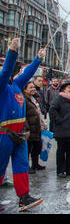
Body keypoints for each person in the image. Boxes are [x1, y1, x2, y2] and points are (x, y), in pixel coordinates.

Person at [0, 38, 45, 211]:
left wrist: (38, 59)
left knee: (21, 166)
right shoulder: (1, 85)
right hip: (3, 134)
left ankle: (24, 197)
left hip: (19, 134)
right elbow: (5, 73)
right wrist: (12, 51)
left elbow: (27, 74)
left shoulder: (17, 85)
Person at [49, 82, 70, 179]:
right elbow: (52, 111)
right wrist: (60, 121)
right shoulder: (59, 99)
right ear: (64, 89)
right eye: (69, 87)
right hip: (62, 130)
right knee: (61, 151)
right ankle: (60, 170)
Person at [23, 82, 47, 174]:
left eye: (34, 87)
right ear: (25, 89)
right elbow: (23, 115)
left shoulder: (35, 98)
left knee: (37, 146)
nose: (33, 89)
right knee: (28, 148)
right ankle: (26, 166)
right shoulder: (24, 100)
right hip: (30, 127)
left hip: (37, 127)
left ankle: (35, 164)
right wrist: (27, 128)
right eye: (30, 87)